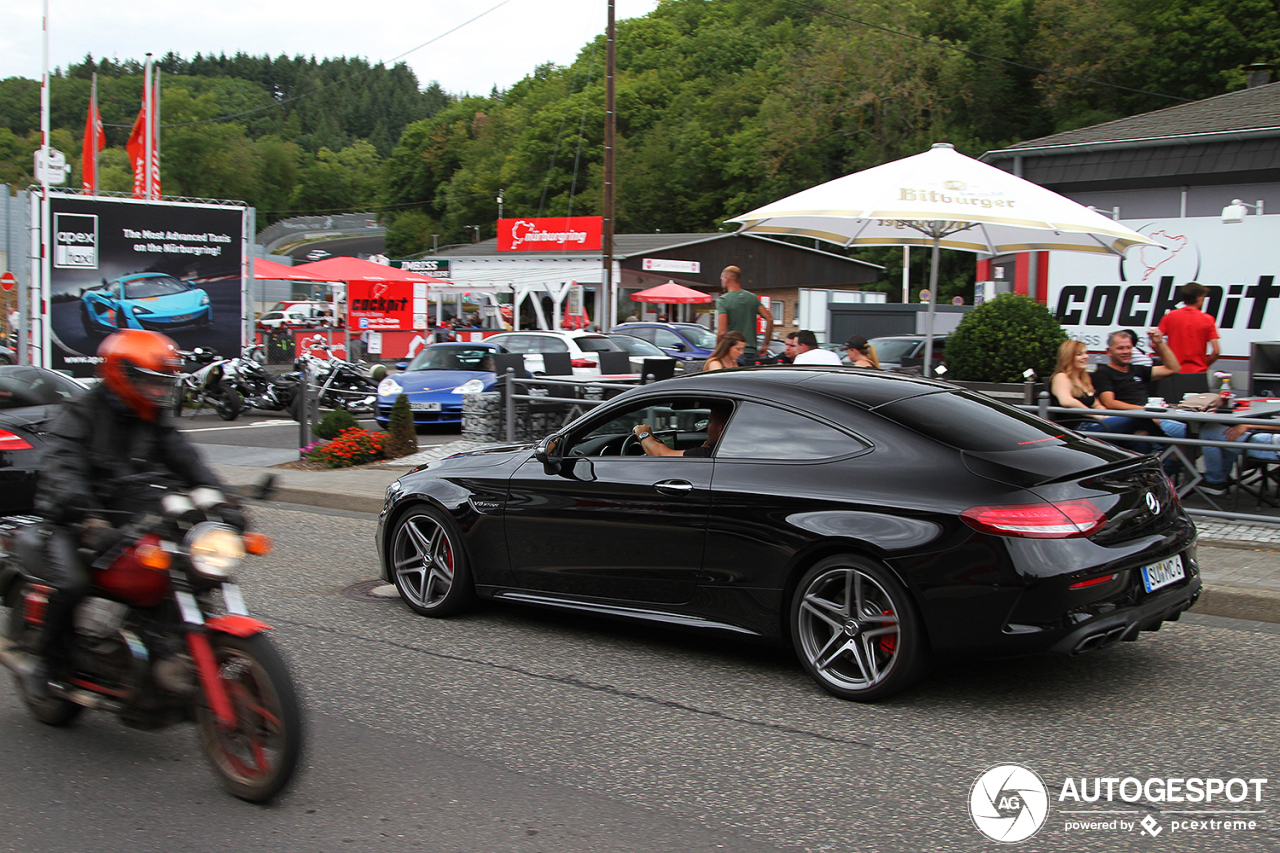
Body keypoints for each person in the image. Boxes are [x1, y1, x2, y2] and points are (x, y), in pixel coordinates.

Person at [22, 329, 234, 700]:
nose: (158, 390)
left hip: (133, 516)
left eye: (163, 382)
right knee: (72, 584)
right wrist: (90, 521)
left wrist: (225, 502)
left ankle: (169, 648)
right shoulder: (83, 412)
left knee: (190, 569)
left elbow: (188, 461)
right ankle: (48, 664)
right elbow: (62, 470)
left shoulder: (152, 416)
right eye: (150, 381)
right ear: (122, 374)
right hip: (75, 519)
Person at [1093, 328, 1186, 452]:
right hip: (1135, 418)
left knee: (1191, 440)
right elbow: (1110, 403)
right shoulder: (1104, 372)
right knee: (1188, 435)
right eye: (1120, 348)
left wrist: (1159, 343)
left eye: (1129, 348)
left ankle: (1167, 465)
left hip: (1151, 416)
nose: (1125, 352)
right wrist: (1143, 412)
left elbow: (1173, 368)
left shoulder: (1137, 369)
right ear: (1109, 352)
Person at [1049, 339, 1135, 433]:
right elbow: (1066, 401)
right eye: (1079, 354)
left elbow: (1096, 404)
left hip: (1093, 423)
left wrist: (1105, 415)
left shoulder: (1084, 378)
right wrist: (1094, 415)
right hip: (1077, 429)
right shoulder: (1061, 376)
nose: (1085, 357)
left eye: (1086, 353)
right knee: (1133, 418)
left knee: (1137, 439)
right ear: (1068, 357)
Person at [1198, 420, 1280, 494]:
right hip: (1273, 449)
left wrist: (1248, 425)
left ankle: (1214, 481)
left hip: (1270, 447)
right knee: (1229, 429)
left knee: (1209, 430)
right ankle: (1222, 475)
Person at [715, 266, 773, 366]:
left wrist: (718, 352)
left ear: (727, 279)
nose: (721, 281)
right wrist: (765, 344)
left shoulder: (723, 300)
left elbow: (722, 332)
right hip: (752, 353)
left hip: (733, 353)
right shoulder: (752, 297)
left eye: (721, 278)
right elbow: (770, 319)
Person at [1159, 282, 1220, 374]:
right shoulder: (1207, 319)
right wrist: (1204, 364)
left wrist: (1166, 360)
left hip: (1174, 371)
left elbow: (1156, 342)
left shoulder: (1170, 316)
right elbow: (1216, 351)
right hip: (1199, 371)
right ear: (1199, 297)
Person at [632, 403, 731, 457]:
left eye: (710, 422)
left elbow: (661, 455)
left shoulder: (707, 454)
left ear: (721, 428)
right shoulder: (727, 452)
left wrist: (643, 434)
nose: (707, 426)